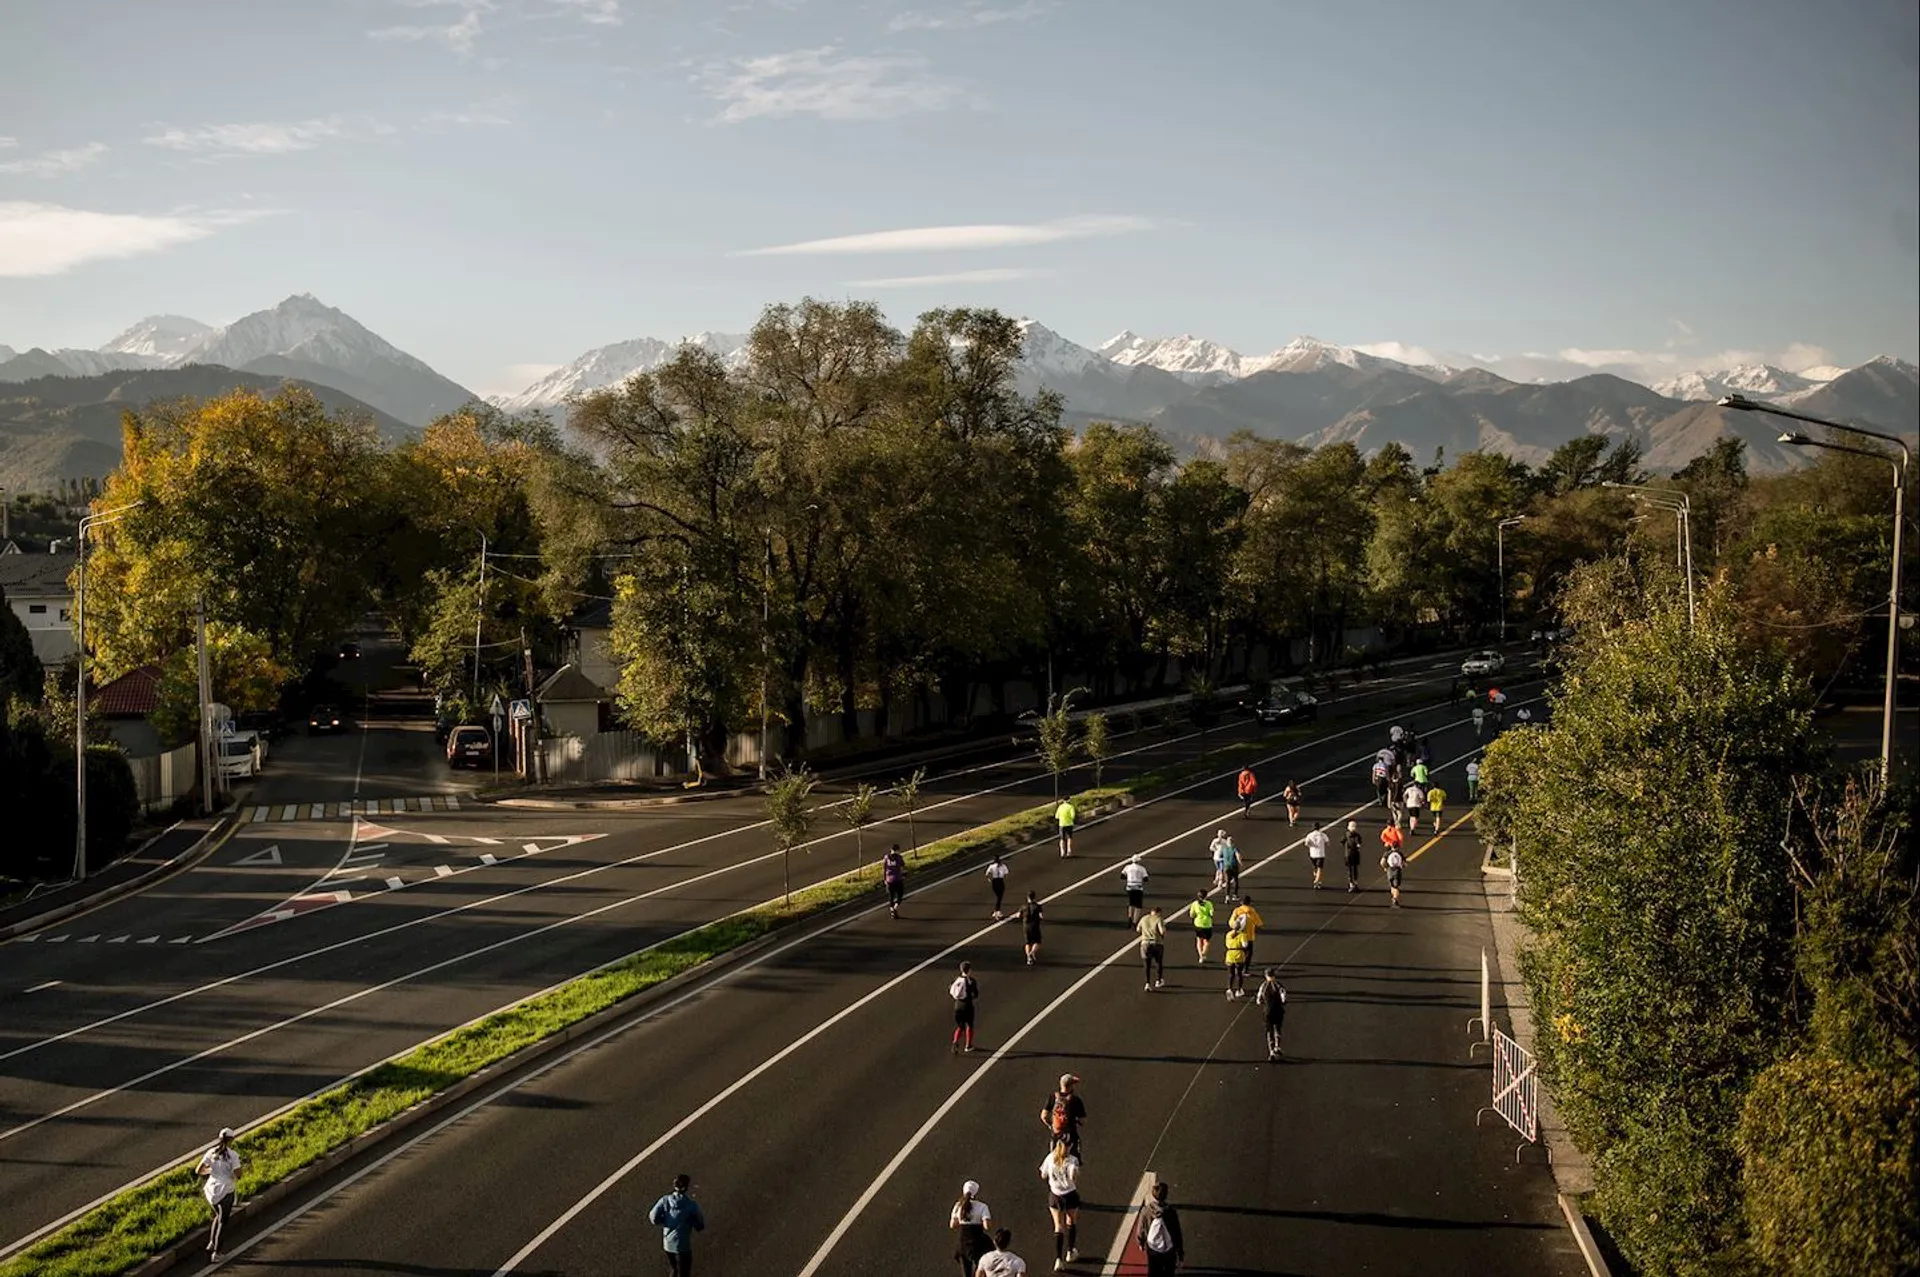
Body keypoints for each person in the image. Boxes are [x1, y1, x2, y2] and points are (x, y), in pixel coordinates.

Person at [196, 1126, 242, 1262]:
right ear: (231, 1140)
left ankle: (211, 1243)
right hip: (226, 1190)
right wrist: (232, 1172)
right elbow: (238, 1174)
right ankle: (217, 1252)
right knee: (224, 1221)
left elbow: (198, 1170)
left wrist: (212, 1171)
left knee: (218, 1215)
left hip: (211, 1190)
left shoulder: (211, 1152)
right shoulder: (233, 1155)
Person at [648, 1173, 706, 1276]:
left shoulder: (665, 1200)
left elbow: (653, 1217)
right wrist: (695, 1225)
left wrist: (664, 1221)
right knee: (684, 1272)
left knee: (674, 1268)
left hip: (667, 1244)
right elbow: (700, 1224)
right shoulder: (691, 1206)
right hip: (683, 1245)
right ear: (686, 1187)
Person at [1039, 1139, 1083, 1270]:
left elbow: (1043, 1175)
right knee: (1071, 1221)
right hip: (1070, 1194)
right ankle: (1070, 1251)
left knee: (1058, 1226)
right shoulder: (1072, 1160)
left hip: (1055, 1195)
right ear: (1069, 1147)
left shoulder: (1050, 1157)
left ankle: (1058, 1259)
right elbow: (1073, 1177)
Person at [1136, 1181, 1184, 1277]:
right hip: (1169, 1248)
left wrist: (1140, 1242)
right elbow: (1177, 1233)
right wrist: (1180, 1252)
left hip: (1153, 1247)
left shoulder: (1146, 1211)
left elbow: (1141, 1228)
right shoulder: (1171, 1212)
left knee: (1153, 1270)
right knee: (1169, 1272)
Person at [951, 1180, 994, 1276]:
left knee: (966, 1273)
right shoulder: (982, 1206)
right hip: (977, 1243)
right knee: (981, 1270)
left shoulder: (958, 1206)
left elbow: (953, 1225)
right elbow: (987, 1226)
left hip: (962, 1244)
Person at [1040, 1073, 1087, 1158]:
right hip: (1071, 1136)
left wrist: (1051, 1125)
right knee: (1073, 1161)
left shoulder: (1052, 1097)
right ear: (1071, 1086)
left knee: (1054, 1160)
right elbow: (1083, 1121)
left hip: (1056, 1136)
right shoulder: (1076, 1100)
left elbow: (1044, 1116)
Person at [1256, 968, 1288, 1062]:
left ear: (1266, 976)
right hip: (1278, 1010)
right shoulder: (1279, 986)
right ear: (1274, 975)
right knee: (1277, 1028)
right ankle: (1277, 1047)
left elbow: (1258, 1000)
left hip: (1267, 1011)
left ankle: (1271, 1052)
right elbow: (1284, 999)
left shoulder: (1263, 986)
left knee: (1269, 1031)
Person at [950, 961, 980, 1054]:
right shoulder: (971, 981)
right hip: (967, 1005)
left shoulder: (957, 979)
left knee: (960, 1026)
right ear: (969, 970)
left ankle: (955, 1041)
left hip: (958, 1005)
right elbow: (975, 994)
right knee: (969, 1025)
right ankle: (968, 1045)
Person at [1229, 894, 1264, 967]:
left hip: (1238, 935)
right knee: (1248, 953)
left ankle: (1237, 964)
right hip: (1249, 935)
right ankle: (1245, 969)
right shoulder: (1251, 911)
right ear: (1249, 903)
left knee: (1240, 950)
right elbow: (1258, 922)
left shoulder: (1237, 910)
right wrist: (1260, 925)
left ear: (1241, 902)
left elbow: (1231, 922)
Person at [1138, 905, 1167, 989]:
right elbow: (1162, 931)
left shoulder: (1144, 918)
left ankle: (1147, 983)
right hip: (1157, 943)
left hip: (1145, 943)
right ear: (1158, 912)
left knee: (1147, 964)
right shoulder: (1158, 919)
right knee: (1158, 962)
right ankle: (1158, 980)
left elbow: (1138, 929)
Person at [1224, 914, 1251, 999]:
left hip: (1229, 955)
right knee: (1239, 974)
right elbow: (1245, 945)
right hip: (1239, 955)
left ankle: (1229, 989)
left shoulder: (1228, 934)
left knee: (1230, 974)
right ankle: (1239, 990)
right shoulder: (1242, 935)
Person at [1210, 829, 1241, 900]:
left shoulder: (1221, 842)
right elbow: (1212, 848)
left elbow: (1212, 848)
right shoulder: (1221, 843)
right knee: (1221, 871)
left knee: (1220, 871)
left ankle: (1218, 882)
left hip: (1218, 859)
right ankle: (1220, 883)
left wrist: (1217, 851)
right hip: (1220, 860)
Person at [1121, 854, 1150, 925]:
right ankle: (1135, 921)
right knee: (1138, 906)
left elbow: (1122, 876)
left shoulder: (1127, 867)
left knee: (1131, 903)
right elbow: (1146, 879)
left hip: (1129, 887)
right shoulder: (1141, 868)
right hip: (1138, 888)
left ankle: (1130, 917)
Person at [1190, 889, 1215, 963]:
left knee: (1199, 940)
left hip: (1198, 924)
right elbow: (1211, 914)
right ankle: (1204, 953)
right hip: (1207, 924)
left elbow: (1192, 915)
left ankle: (1201, 956)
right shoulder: (1209, 904)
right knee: (1206, 941)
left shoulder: (1194, 904)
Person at [883, 844, 907, 919]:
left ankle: (892, 909)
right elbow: (903, 867)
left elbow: (884, 868)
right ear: (898, 850)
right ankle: (895, 907)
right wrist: (904, 875)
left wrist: (885, 879)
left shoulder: (886, 857)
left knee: (891, 896)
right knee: (900, 894)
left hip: (889, 880)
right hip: (897, 879)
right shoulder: (899, 858)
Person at [1021, 891, 1045, 966]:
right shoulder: (1037, 906)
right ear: (1034, 897)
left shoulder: (1023, 906)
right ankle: (1032, 952)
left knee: (1027, 943)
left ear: (1027, 897)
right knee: (1037, 941)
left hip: (1026, 926)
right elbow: (1041, 916)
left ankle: (1028, 957)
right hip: (1035, 926)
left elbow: (1018, 915)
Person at [1304, 819, 1329, 888]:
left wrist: (1312, 845)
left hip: (1312, 854)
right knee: (1319, 868)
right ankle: (1317, 880)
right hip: (1320, 854)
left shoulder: (1309, 835)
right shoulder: (1322, 834)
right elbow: (1327, 842)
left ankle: (1318, 880)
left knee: (1315, 868)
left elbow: (1306, 843)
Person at [986, 852, 1009, 919]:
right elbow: (1006, 873)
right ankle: (997, 911)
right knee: (999, 897)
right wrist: (1003, 878)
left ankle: (996, 911)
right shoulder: (1003, 866)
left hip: (995, 881)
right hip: (1000, 881)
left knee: (998, 896)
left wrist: (990, 880)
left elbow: (987, 874)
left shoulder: (991, 866)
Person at [1343, 819, 1363, 893]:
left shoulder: (1346, 834)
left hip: (1347, 854)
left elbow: (1342, 841)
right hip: (1355, 854)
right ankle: (1355, 883)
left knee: (1349, 869)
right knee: (1355, 869)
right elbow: (1359, 843)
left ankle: (1351, 884)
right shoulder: (1358, 836)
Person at [1385, 842, 1407, 907]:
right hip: (1397, 870)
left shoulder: (1387, 853)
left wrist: (1385, 867)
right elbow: (1404, 864)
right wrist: (1402, 866)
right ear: (1398, 847)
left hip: (1389, 870)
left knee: (1392, 886)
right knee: (1396, 887)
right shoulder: (1400, 853)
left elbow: (1382, 862)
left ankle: (1393, 897)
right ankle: (1395, 899)